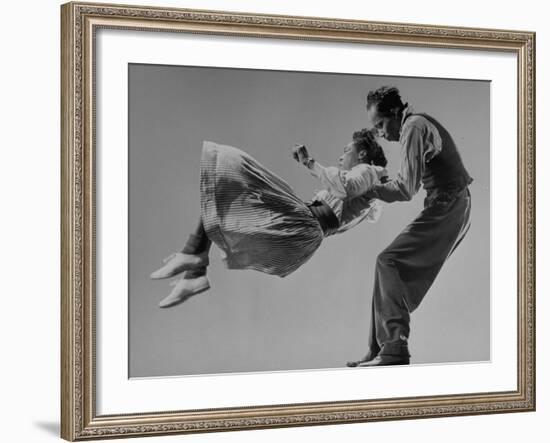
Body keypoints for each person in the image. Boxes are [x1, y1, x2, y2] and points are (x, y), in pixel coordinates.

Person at [150, 129, 388, 308]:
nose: (341, 156)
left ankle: (193, 258)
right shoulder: (369, 191)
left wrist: (309, 162)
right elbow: (359, 202)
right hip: (304, 232)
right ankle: (194, 271)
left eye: (347, 151)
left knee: (231, 170)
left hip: (305, 222)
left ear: (362, 154)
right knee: (225, 199)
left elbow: (344, 187)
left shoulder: (367, 171)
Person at [346, 86, 473, 367]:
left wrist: (369, 189)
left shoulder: (413, 127)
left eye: (380, 124)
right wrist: (377, 188)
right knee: (387, 269)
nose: (380, 132)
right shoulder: (413, 126)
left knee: (388, 261)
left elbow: (405, 189)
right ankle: (379, 347)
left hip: (450, 204)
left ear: (394, 113)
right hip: (449, 204)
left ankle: (393, 348)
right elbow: (406, 183)